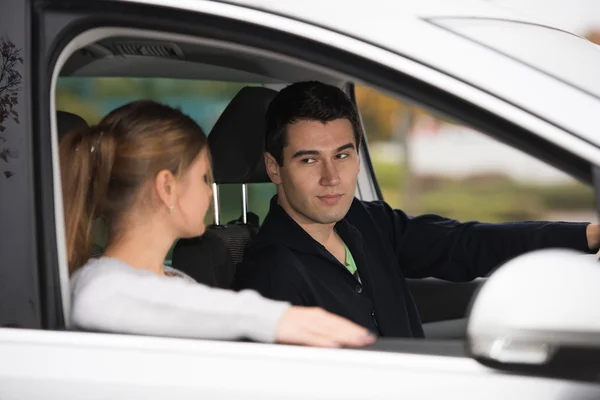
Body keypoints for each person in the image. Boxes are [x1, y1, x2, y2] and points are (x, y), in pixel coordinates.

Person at [233, 81, 600, 338]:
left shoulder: (364, 221)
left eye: (342, 155)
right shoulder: (271, 274)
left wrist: (586, 236)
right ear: (273, 168)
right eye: (309, 160)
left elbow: (464, 244)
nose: (332, 178)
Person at [60, 100, 376, 348]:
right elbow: (101, 296)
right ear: (167, 188)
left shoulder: (175, 281)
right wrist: (277, 318)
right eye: (204, 178)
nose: (209, 193)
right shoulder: (99, 284)